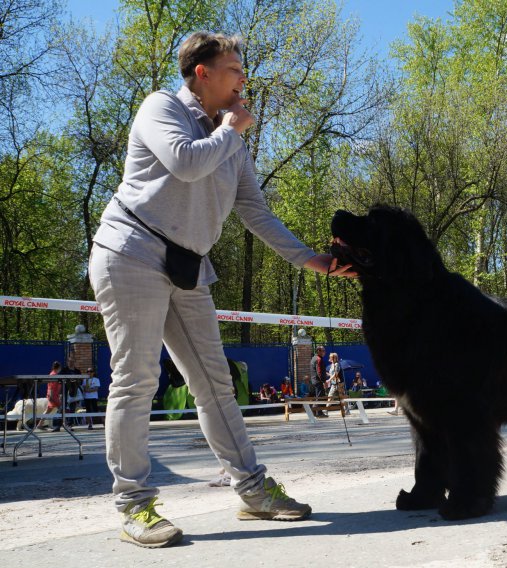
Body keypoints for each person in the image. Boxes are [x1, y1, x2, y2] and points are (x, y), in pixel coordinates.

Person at [87, 31, 353, 548]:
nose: (243, 80)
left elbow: (255, 212)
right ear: (202, 73)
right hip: (131, 254)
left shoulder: (229, 139)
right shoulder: (160, 107)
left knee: (215, 384)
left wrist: (313, 261)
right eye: (234, 69)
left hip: (188, 268)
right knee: (137, 380)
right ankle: (134, 506)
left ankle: (252, 490)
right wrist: (231, 129)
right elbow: (186, 161)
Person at [35, 361, 62, 431]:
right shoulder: (54, 375)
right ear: (59, 367)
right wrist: (52, 397)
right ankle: (63, 425)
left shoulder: (52, 374)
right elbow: (52, 387)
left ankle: (39, 425)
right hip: (53, 396)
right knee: (61, 409)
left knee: (48, 411)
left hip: (52, 395)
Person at [309, 346, 328, 417]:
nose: (324, 352)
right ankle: (319, 413)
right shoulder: (318, 359)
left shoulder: (313, 358)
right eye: (323, 351)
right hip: (318, 381)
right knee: (320, 397)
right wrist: (324, 381)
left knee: (317, 397)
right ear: (318, 351)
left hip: (313, 381)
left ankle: (315, 412)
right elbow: (319, 372)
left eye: (324, 350)